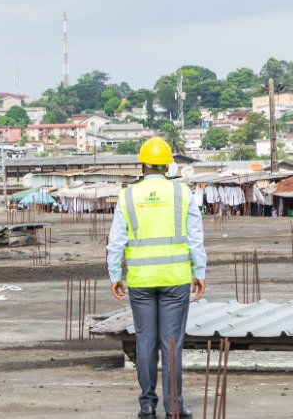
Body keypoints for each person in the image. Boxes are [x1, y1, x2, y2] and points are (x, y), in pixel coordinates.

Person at [107, 136, 207, 419]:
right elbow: (195, 238)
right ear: (168, 167)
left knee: (145, 342)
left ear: (142, 166)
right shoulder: (183, 194)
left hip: (140, 281)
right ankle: (174, 406)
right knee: (171, 342)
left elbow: (116, 241)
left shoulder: (128, 195)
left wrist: (115, 274)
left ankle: (147, 405)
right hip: (176, 278)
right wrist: (199, 272)